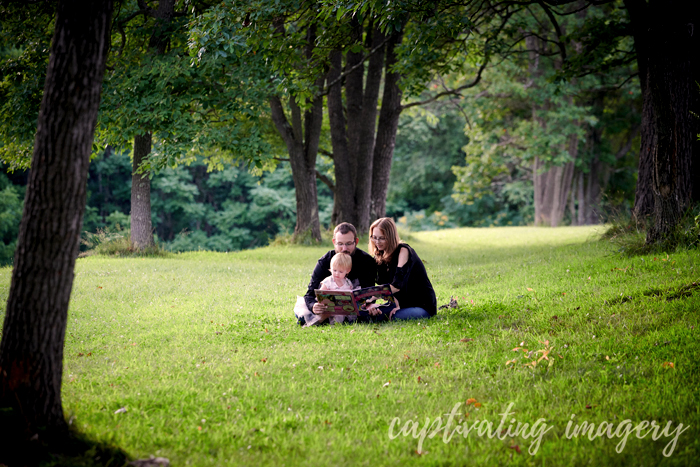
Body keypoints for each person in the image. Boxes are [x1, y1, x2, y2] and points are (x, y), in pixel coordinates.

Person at [298, 222, 376, 326]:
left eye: (348, 243)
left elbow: (368, 291)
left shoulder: (366, 261)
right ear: (334, 242)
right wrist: (313, 306)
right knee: (303, 313)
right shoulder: (325, 261)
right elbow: (310, 293)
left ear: (356, 242)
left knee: (375, 314)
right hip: (327, 309)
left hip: (355, 309)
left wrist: (369, 304)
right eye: (340, 244)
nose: (344, 249)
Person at [365, 217, 436, 320]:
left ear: (390, 237)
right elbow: (386, 287)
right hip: (399, 305)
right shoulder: (379, 256)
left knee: (393, 317)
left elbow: (397, 286)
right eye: (374, 237)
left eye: (382, 238)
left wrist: (373, 295)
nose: (377, 242)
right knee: (369, 315)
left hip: (421, 305)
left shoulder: (403, 251)